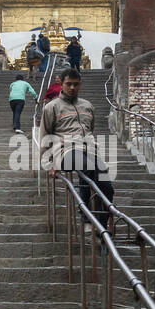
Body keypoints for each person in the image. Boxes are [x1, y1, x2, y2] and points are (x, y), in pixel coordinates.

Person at [39, 67, 114, 230]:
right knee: (86, 166)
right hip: (64, 151)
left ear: (80, 84)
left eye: (76, 84)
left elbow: (90, 129)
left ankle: (101, 227)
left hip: (90, 150)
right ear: (62, 84)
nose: (72, 88)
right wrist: (48, 164)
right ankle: (85, 214)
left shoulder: (88, 106)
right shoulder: (51, 107)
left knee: (107, 187)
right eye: (68, 84)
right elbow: (45, 135)